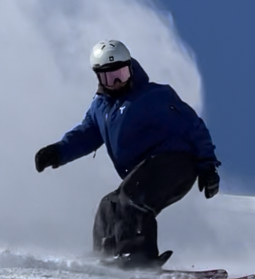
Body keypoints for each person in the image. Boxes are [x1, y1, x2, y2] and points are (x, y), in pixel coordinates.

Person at [34, 40, 220, 266]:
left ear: (130, 69)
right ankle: (106, 255)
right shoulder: (99, 108)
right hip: (144, 171)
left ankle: (138, 256)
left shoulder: (153, 96)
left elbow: (192, 125)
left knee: (130, 197)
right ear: (98, 77)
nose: (117, 82)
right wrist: (58, 152)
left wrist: (207, 166)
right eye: (109, 77)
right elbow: (85, 135)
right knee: (109, 205)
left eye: (121, 73)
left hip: (175, 164)